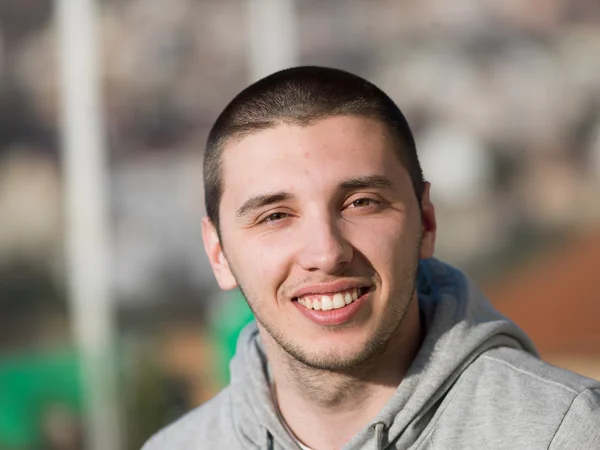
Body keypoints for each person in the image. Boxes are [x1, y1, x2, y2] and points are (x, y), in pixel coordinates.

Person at [143, 66, 600, 450]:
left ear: (426, 224)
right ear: (218, 252)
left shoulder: (564, 432)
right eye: (275, 216)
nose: (326, 253)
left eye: (361, 202)